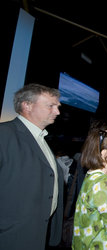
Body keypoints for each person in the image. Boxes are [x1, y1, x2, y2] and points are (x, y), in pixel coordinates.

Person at [0, 84, 63, 249]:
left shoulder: (41, 139)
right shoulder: (4, 134)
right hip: (11, 237)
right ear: (26, 105)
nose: (57, 112)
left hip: (38, 233)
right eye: (51, 106)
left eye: (57, 106)